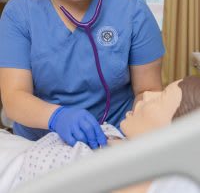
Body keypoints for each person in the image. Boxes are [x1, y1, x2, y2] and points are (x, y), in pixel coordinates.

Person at [0, 0, 164, 149]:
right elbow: (14, 97)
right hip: (39, 142)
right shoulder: (20, 14)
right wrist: (57, 117)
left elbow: (148, 91)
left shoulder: (132, 11)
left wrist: (126, 139)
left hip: (114, 138)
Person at [1, 75, 200, 193]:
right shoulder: (121, 145)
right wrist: (56, 116)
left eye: (162, 96)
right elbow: (13, 96)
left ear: (176, 136)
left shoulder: (126, 176)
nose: (147, 95)